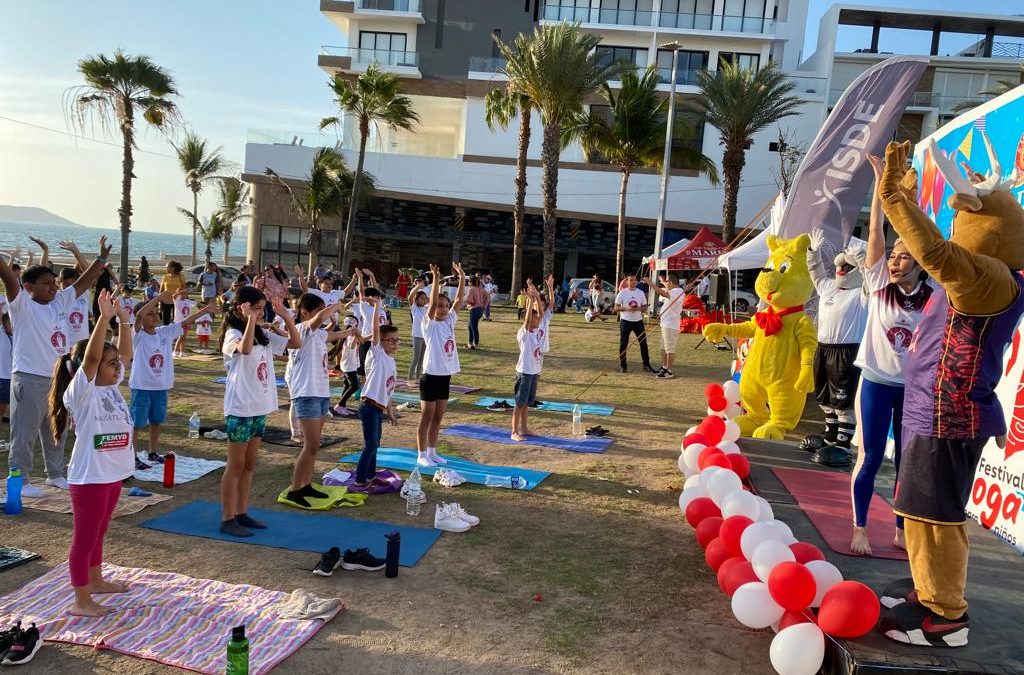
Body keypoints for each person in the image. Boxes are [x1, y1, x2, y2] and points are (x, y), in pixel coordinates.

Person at [849, 159, 932, 557]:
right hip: (877, 385)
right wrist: (884, 187)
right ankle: (860, 526)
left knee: (905, 463)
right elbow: (874, 234)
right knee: (869, 458)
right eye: (894, 256)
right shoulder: (879, 283)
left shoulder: (934, 299)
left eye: (904, 257)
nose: (895, 261)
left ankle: (900, 529)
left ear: (920, 265)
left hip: (913, 391)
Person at [1, 237, 110, 494]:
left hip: (58, 377)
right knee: (24, 432)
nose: (52, 288)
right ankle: (21, 479)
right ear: (28, 287)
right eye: (46, 284)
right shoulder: (22, 304)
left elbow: (84, 283)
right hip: (29, 377)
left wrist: (102, 258)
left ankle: (55, 474)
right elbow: (7, 276)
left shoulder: (59, 301)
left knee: (56, 427)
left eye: (53, 283)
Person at [48, 289, 133, 617]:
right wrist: (104, 319)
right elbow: (93, 359)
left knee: (100, 530)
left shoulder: (109, 387)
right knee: (84, 538)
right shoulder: (81, 392)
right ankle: (81, 600)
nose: (116, 368)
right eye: (109, 364)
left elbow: (124, 354)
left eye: (115, 365)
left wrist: (124, 318)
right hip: (90, 477)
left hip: (111, 474)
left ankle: (95, 582)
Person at [219, 286, 301, 537]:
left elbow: (296, 343)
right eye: (255, 307)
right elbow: (243, 350)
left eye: (261, 308)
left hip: (258, 407)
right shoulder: (233, 333)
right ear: (240, 307)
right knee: (235, 465)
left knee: (250, 464)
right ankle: (228, 517)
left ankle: (242, 512)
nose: (260, 312)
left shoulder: (262, 334)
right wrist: (252, 320)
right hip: (240, 408)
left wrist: (285, 316)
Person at [803, 228, 869, 467]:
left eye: (847, 267)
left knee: (843, 400)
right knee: (824, 396)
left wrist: (862, 260)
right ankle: (829, 435)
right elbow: (816, 272)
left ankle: (843, 444)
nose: (841, 270)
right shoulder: (829, 287)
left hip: (847, 351)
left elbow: (873, 278)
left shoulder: (863, 292)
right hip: (823, 349)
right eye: (840, 266)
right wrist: (813, 252)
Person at [282, 293, 351, 507]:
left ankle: (306, 484)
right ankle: (296, 488)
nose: (322, 314)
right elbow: (320, 319)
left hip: (321, 393)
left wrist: (352, 331)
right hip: (306, 394)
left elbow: (334, 335)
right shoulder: (302, 330)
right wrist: (336, 306)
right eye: (318, 310)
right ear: (305, 313)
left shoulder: (318, 334)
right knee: (310, 444)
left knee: (315, 445)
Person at [130, 292, 212, 469]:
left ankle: (152, 452)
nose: (155, 316)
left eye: (156, 313)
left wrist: (206, 310)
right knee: (136, 423)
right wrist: (157, 299)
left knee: (156, 421)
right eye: (150, 314)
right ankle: (133, 456)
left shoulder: (164, 332)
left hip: (160, 386)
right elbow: (138, 315)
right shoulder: (137, 335)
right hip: (141, 386)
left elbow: (185, 321)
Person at [417, 262, 465, 467]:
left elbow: (460, 299)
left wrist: (462, 277)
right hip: (430, 376)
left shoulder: (449, 321)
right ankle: (421, 455)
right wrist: (436, 279)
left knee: (438, 416)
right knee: (426, 416)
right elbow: (433, 301)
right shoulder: (428, 324)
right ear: (431, 307)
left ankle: (432, 451)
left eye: (446, 306)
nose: (444, 309)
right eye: (440, 306)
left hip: (445, 376)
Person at [354, 297, 400, 487]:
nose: (395, 344)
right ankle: (359, 480)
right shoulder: (377, 353)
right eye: (392, 341)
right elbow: (374, 331)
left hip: (379, 408)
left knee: (376, 444)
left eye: (397, 340)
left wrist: (390, 413)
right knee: (371, 444)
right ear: (381, 342)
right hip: (369, 406)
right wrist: (377, 308)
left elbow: (387, 391)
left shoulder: (391, 361)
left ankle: (371, 476)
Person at [511, 284, 544, 441]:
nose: (537, 320)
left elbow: (541, 315)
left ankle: (524, 428)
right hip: (524, 372)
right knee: (519, 403)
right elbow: (528, 319)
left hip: (533, 372)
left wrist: (537, 296)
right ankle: (514, 432)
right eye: (534, 318)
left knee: (526, 403)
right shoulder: (523, 333)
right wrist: (530, 301)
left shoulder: (536, 331)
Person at [614, 274, 654, 374]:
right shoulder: (622, 293)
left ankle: (646, 364)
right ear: (627, 282)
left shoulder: (640, 293)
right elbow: (616, 308)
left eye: (635, 280)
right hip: (625, 321)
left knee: (643, 343)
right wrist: (628, 309)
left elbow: (644, 306)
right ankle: (623, 365)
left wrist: (638, 309)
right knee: (623, 344)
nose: (633, 282)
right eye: (631, 280)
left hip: (638, 321)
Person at [648, 273, 685, 379]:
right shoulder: (673, 290)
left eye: (667, 281)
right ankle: (664, 367)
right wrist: (663, 281)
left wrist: (650, 283)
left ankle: (668, 370)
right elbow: (667, 289)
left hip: (671, 325)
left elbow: (663, 293)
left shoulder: (677, 291)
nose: (666, 283)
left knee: (669, 349)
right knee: (663, 347)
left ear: (672, 282)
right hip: (665, 324)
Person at [331, 316, 363, 418]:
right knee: (354, 386)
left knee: (346, 384)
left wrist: (373, 334)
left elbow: (362, 341)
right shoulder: (350, 336)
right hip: (349, 366)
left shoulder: (349, 335)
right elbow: (352, 346)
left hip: (348, 364)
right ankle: (340, 405)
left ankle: (342, 406)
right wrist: (357, 336)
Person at [407, 279, 429, 386]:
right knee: (415, 358)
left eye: (425, 298)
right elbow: (410, 297)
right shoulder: (415, 309)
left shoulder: (427, 309)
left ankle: (417, 377)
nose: (424, 300)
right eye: (421, 298)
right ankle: (410, 379)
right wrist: (418, 287)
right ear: (417, 300)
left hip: (425, 336)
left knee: (422, 358)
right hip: (417, 336)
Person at [464, 276, 490, 350]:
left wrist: (466, 300)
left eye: (469, 281)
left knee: (473, 327)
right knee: (470, 326)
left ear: (471, 282)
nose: (468, 283)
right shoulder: (481, 289)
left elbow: (469, 299)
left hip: (474, 309)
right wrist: (484, 307)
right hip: (480, 310)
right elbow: (488, 296)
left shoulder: (471, 289)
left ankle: (475, 344)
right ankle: (470, 343)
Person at [159, 261, 185, 325]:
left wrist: (180, 294)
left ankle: (175, 333)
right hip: (165, 301)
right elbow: (161, 290)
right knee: (165, 320)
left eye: (167, 267)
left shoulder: (180, 277)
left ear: (173, 268)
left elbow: (184, 288)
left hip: (177, 301)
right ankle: (165, 333)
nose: (165, 269)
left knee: (176, 319)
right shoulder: (164, 276)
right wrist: (159, 302)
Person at [172, 288, 195, 358]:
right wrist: (180, 292)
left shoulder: (188, 301)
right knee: (181, 337)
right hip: (180, 322)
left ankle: (182, 352)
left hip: (187, 322)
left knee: (184, 337)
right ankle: (175, 351)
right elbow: (173, 296)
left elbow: (196, 304)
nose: (183, 295)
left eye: (184, 293)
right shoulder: (177, 301)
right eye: (181, 294)